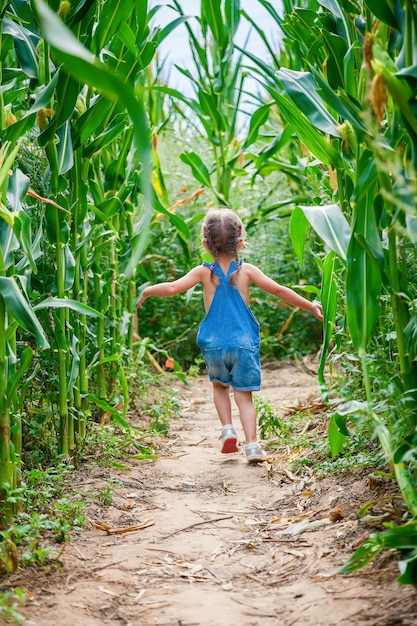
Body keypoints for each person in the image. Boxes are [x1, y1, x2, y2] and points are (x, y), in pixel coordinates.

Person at [138, 208, 323, 464]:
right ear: (241, 241)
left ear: (205, 243)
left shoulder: (203, 272)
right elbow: (279, 291)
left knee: (219, 386)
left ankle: (227, 429)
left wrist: (146, 291)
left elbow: (171, 288)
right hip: (243, 343)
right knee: (244, 395)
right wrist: (310, 305)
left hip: (213, 344)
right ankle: (252, 446)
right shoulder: (247, 271)